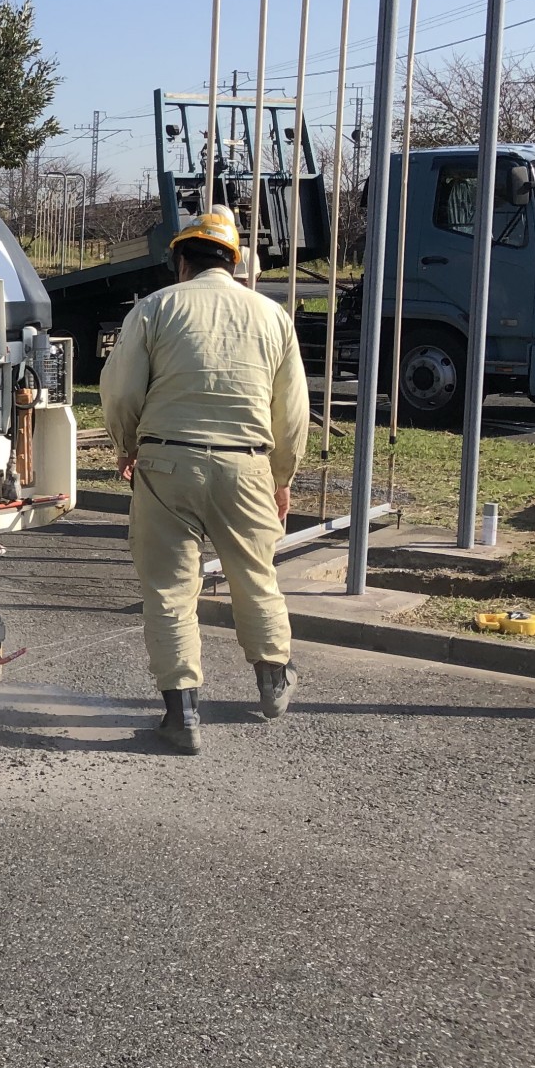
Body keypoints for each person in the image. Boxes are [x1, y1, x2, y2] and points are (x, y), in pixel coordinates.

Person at [99, 210, 311, 754]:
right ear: (234, 262)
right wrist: (282, 477)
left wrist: (127, 446)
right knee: (255, 576)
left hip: (167, 462)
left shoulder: (154, 308)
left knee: (170, 589)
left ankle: (182, 714)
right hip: (247, 466)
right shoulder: (272, 316)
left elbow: (121, 392)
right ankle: (273, 681)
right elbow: (291, 412)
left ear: (181, 260)